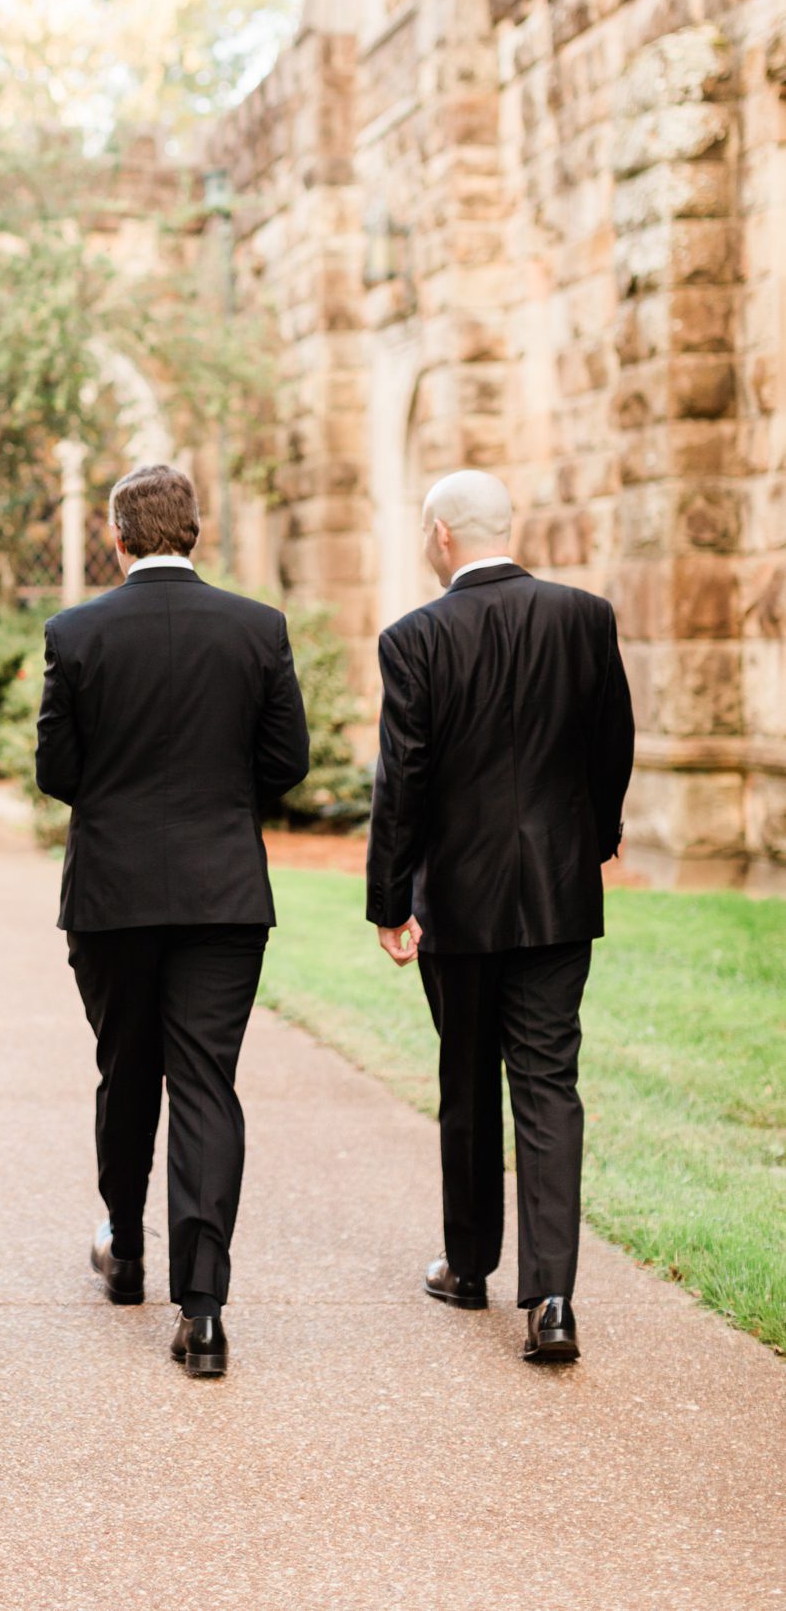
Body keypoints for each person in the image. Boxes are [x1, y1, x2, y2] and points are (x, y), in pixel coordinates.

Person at [35, 463, 309, 1380]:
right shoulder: (256, 628)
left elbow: (57, 773)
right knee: (205, 1086)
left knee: (126, 1070)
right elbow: (287, 760)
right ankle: (203, 1311)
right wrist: (220, 799)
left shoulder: (75, 632)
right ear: (197, 530)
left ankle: (125, 1248)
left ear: (116, 537)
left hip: (111, 895)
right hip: (223, 892)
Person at [366, 470, 634, 1364]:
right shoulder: (583, 618)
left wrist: (389, 900)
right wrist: (594, 841)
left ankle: (472, 1264)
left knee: (469, 1077)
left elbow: (401, 779)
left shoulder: (415, 638)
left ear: (442, 533)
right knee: (551, 1085)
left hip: (463, 898)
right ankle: (552, 1299)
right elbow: (613, 745)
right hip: (559, 895)